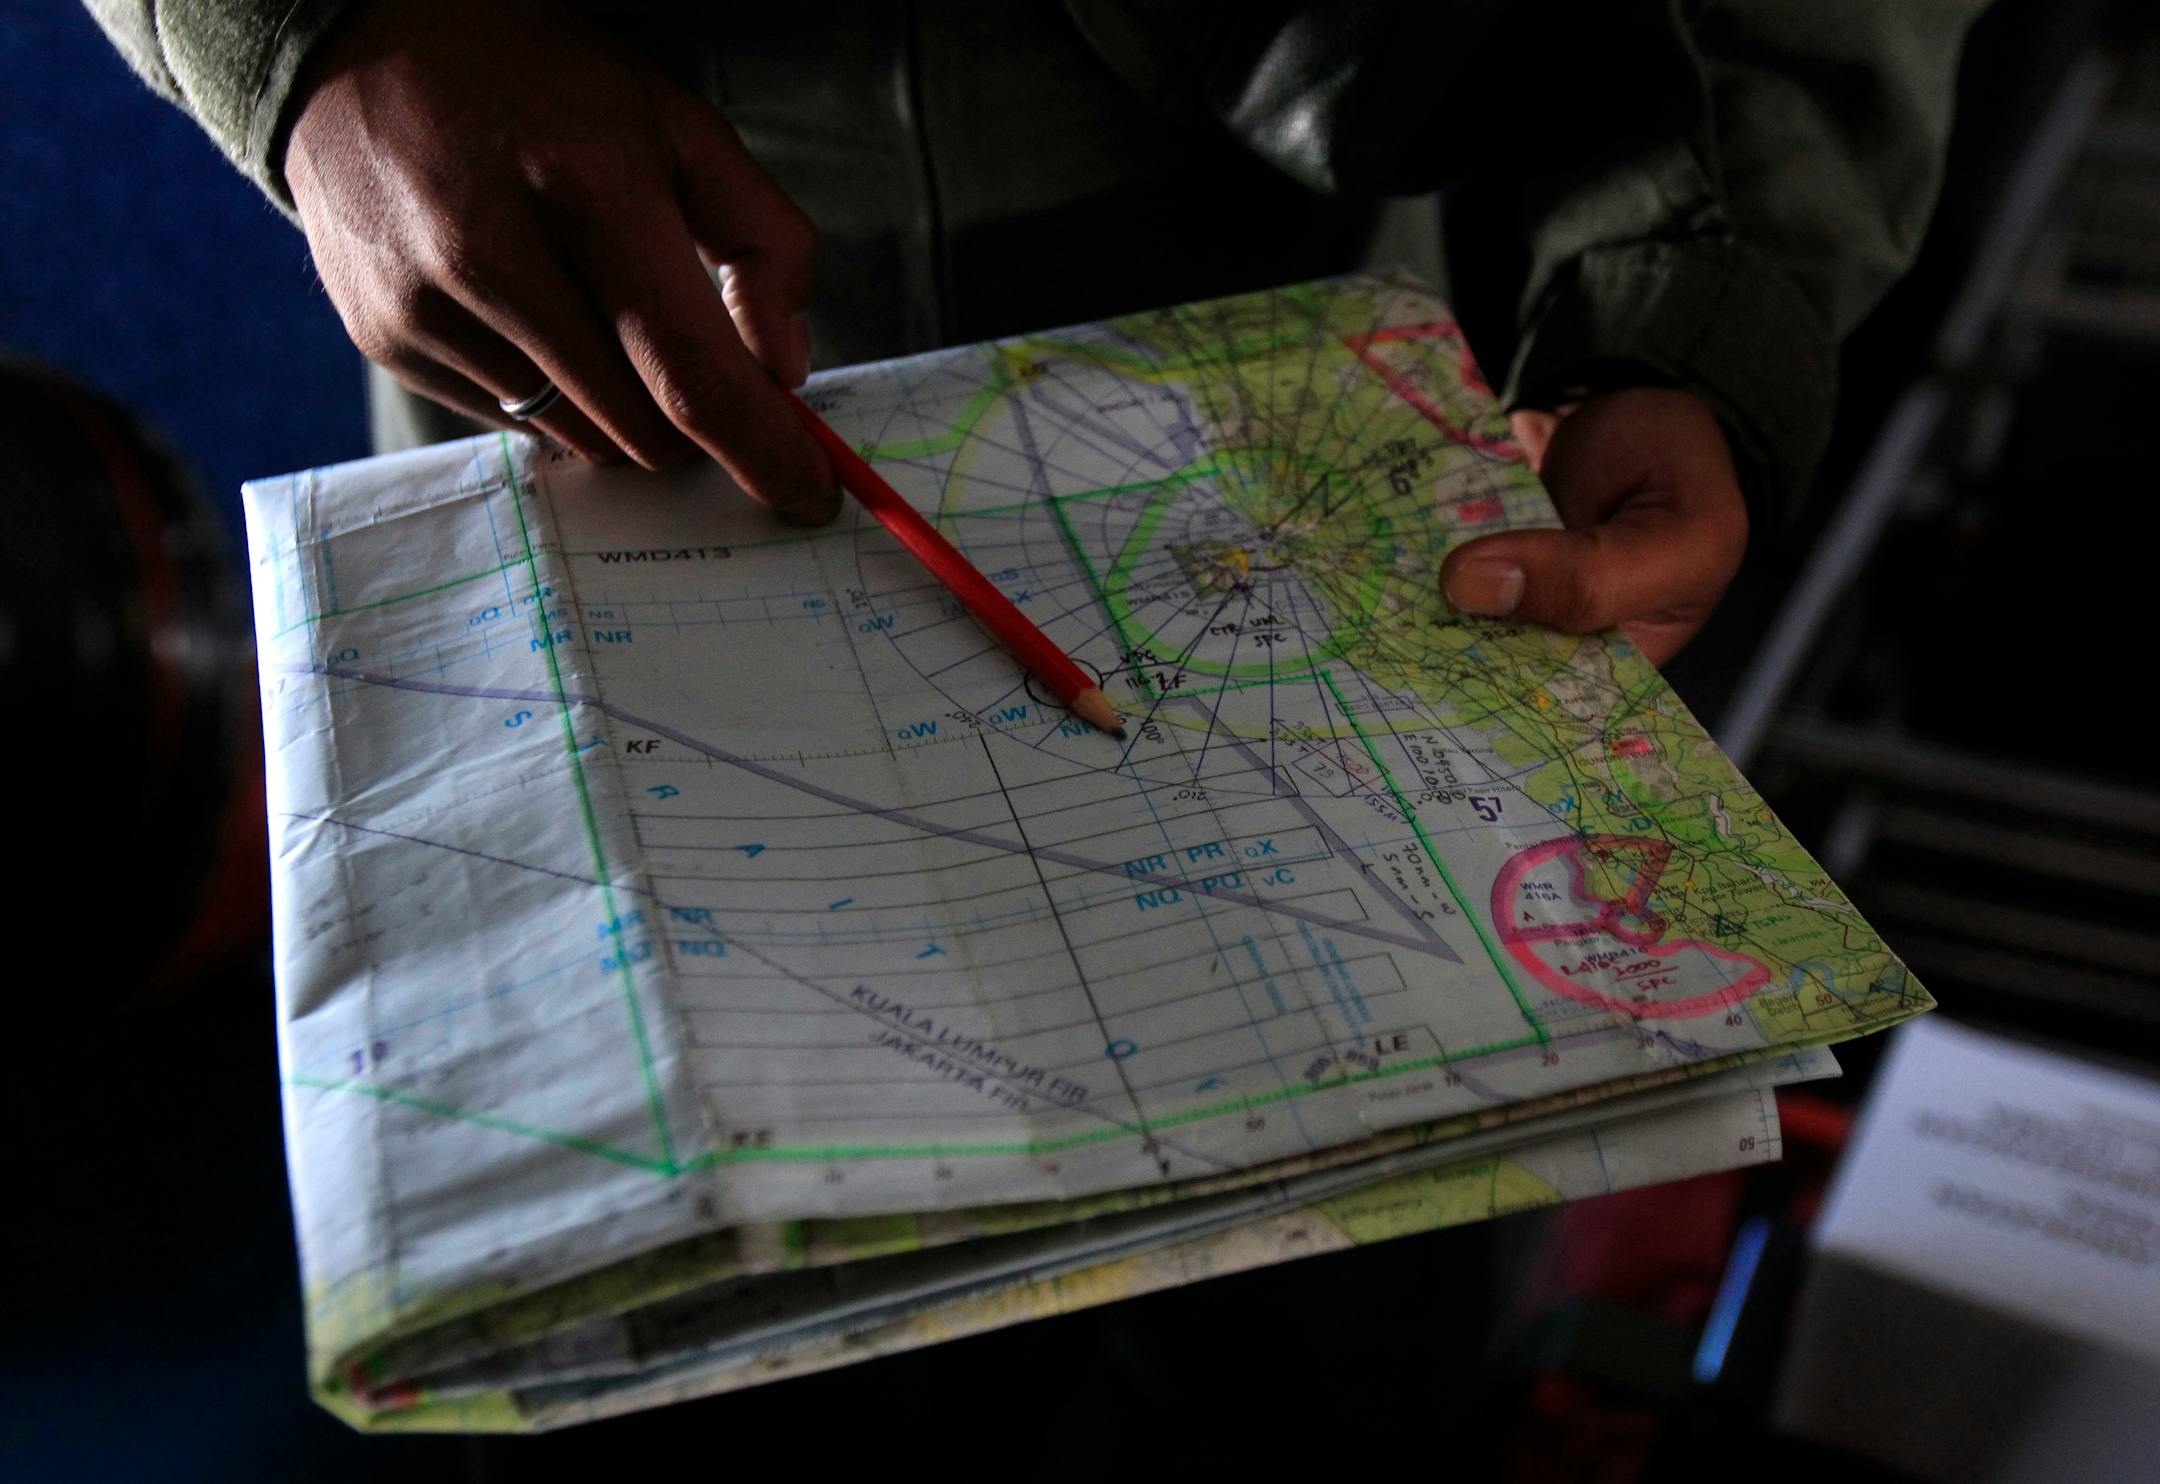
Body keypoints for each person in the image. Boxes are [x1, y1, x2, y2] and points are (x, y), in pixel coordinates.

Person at [85, 0, 1981, 665]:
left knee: (1332, 1300)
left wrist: (1693, 276)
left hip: (1308, 275)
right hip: (565, 305)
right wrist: (312, 35)